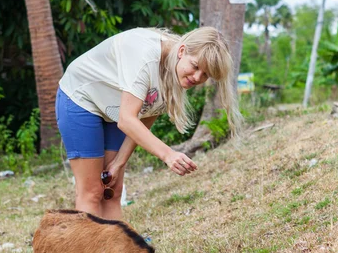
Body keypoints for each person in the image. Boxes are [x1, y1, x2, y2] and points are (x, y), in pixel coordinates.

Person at [56, 26, 240, 220]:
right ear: (182, 51)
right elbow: (127, 120)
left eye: (205, 75)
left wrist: (119, 163)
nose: (197, 77)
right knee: (92, 191)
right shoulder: (145, 57)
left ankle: (115, 250)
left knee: (111, 190)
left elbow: (145, 116)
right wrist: (168, 155)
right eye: (195, 66)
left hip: (115, 106)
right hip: (80, 98)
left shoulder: (176, 71)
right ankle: (86, 250)